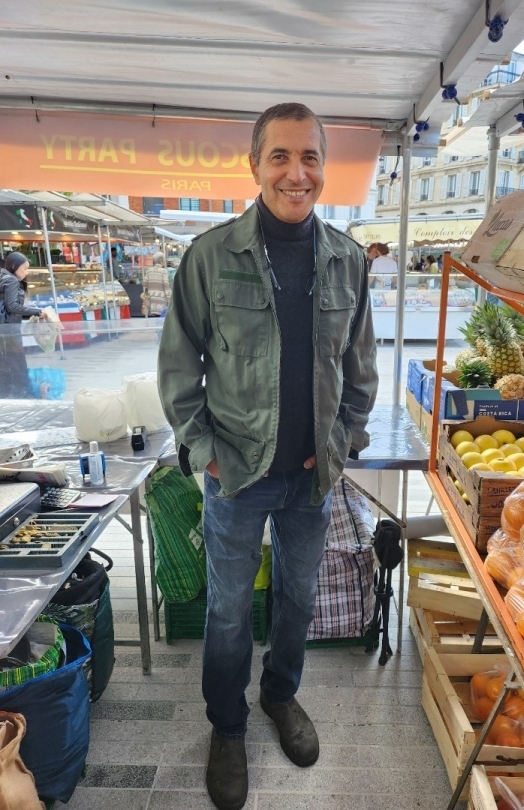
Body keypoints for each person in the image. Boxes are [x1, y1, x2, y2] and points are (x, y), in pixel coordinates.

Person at [158, 102, 378, 810]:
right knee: (228, 612)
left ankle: (280, 696)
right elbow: (177, 369)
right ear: (254, 165)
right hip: (238, 477)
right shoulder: (210, 257)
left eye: (310, 156)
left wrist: (342, 442)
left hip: (312, 479)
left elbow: (361, 370)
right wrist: (205, 453)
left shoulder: (347, 260)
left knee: (298, 599)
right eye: (280, 156)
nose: (296, 172)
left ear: (324, 167)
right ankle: (227, 727)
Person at [0, 252, 45, 399]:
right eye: (24, 268)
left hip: (4, 329)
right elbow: (12, 306)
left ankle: (8, 393)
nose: (26, 272)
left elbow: (8, 307)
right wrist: (37, 312)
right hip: (9, 330)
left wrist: (29, 314)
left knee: (6, 363)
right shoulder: (11, 280)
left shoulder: (3, 277)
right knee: (17, 363)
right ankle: (22, 394)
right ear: (14, 266)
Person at [141, 251, 172, 316]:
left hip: (152, 299)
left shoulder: (149, 271)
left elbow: (144, 283)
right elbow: (166, 286)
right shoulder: (163, 271)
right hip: (161, 300)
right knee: (161, 318)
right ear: (161, 261)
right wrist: (170, 299)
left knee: (155, 318)